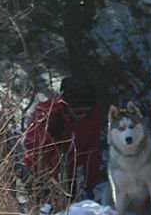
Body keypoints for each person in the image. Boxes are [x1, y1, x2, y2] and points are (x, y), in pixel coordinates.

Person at [22, 77, 105, 207]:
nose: (81, 116)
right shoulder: (46, 113)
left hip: (69, 173)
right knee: (45, 213)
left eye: (85, 112)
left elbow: (92, 152)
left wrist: (90, 184)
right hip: (39, 173)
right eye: (77, 112)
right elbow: (33, 147)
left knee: (68, 213)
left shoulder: (92, 118)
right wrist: (49, 134)